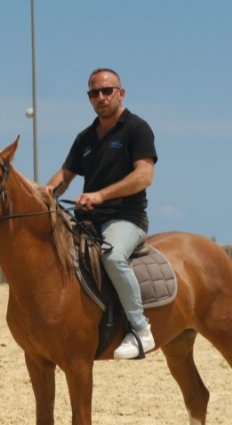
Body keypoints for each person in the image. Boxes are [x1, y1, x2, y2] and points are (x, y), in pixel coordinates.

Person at [46, 67, 157, 360]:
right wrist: (47, 192)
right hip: (88, 219)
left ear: (121, 93)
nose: (101, 97)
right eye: (95, 93)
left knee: (112, 257)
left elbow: (144, 175)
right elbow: (65, 174)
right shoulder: (85, 138)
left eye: (107, 91)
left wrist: (101, 194)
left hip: (126, 218)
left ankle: (140, 328)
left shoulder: (137, 129)